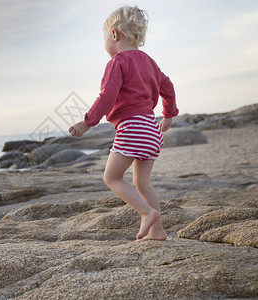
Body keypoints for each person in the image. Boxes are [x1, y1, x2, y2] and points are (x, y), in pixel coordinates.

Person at [69, 6, 178, 241]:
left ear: (114, 34)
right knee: (142, 182)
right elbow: (167, 86)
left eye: (104, 36)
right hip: (151, 127)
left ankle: (146, 212)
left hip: (132, 127)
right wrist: (168, 114)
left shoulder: (118, 62)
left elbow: (107, 97)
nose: (105, 41)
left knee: (112, 178)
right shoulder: (149, 62)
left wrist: (87, 123)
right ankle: (158, 232)